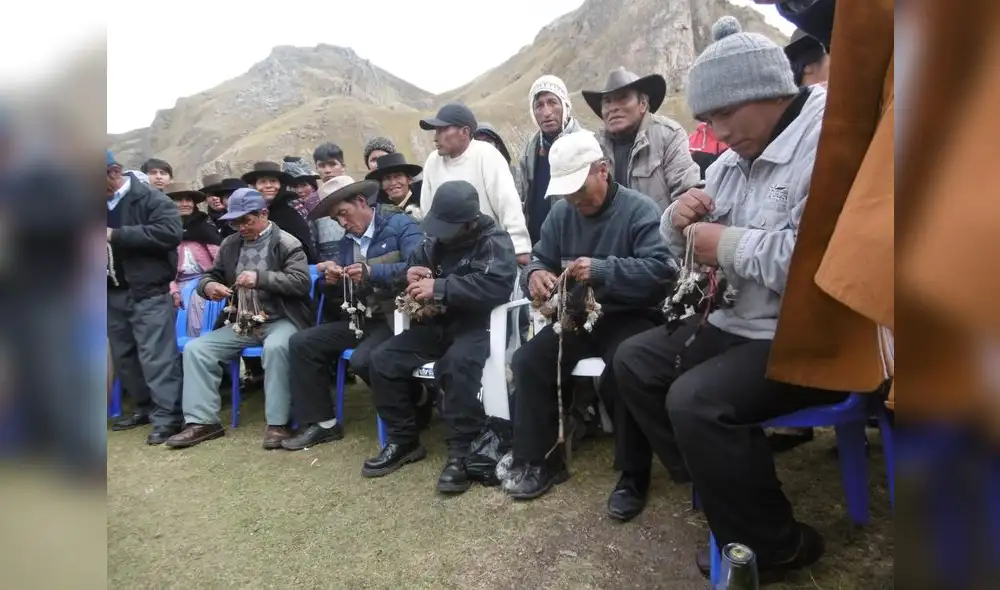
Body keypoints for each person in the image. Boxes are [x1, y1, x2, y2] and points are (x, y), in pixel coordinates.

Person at [611, 16, 845, 579]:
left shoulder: (831, 141)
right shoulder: (739, 155)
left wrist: (730, 244)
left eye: (722, 115)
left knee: (695, 400)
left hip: (804, 333)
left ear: (763, 94)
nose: (715, 133)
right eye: (707, 120)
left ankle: (777, 546)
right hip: (741, 324)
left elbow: (828, 265)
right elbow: (686, 238)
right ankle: (721, 483)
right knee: (634, 362)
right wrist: (677, 217)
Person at [505, 131, 675, 505]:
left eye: (579, 187)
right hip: (578, 316)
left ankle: (634, 474)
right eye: (566, 191)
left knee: (624, 368)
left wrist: (602, 270)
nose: (573, 198)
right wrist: (534, 274)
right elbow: (538, 258)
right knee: (529, 360)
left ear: (603, 170)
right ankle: (543, 461)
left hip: (632, 316)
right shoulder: (562, 213)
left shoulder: (639, 209)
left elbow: (663, 272)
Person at [365, 180, 517, 493]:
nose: (439, 233)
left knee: (455, 364)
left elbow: (498, 287)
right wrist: (408, 274)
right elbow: (410, 267)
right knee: (382, 359)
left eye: (448, 227)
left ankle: (462, 451)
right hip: (437, 325)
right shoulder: (433, 240)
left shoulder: (494, 240)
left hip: (479, 326)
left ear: (470, 222)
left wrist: (441, 286)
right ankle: (403, 440)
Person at [166, 188, 313, 450]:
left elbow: (300, 283)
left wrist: (261, 278)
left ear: (264, 213)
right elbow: (211, 276)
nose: (241, 227)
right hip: (244, 321)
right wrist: (208, 287)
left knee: (277, 347)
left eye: (247, 220)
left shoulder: (288, 243)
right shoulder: (230, 244)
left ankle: (278, 424)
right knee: (197, 350)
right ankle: (202, 422)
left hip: (281, 318)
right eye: (235, 221)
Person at [282, 180, 422, 450]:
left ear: (360, 201)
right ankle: (322, 424)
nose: (342, 223)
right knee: (302, 342)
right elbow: (345, 290)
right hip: (364, 318)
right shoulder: (347, 243)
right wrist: (331, 281)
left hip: (400, 316)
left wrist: (371, 273)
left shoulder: (401, 225)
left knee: (362, 360)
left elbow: (420, 267)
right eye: (336, 218)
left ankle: (415, 400)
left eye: (343, 213)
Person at [106, 150, 185, 444]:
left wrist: (114, 235)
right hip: (110, 291)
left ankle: (169, 416)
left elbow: (169, 233)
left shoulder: (152, 199)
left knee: (156, 356)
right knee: (124, 356)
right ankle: (144, 407)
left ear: (113, 172)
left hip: (148, 289)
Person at [418, 103, 532, 265]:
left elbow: (507, 204)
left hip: (488, 253)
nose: (436, 137)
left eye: (443, 130)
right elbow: (428, 209)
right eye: (436, 131)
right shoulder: (432, 162)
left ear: (464, 132)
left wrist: (519, 248)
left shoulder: (486, 155)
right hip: (447, 255)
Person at [583, 68, 701, 211]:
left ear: (643, 105)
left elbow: (687, 193)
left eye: (622, 98)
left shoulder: (668, 135)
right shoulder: (593, 147)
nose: (613, 108)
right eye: (607, 102)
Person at [515, 75, 585, 246]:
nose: (546, 112)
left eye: (552, 102)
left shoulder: (585, 145)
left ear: (565, 105)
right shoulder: (529, 150)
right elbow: (521, 198)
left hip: (575, 244)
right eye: (539, 105)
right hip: (535, 246)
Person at [165, 182, 222, 337]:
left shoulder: (203, 227)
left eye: (188, 200)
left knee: (198, 303)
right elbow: (162, 268)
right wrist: (173, 290)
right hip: (176, 284)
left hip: (205, 281)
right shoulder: (163, 230)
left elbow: (219, 259)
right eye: (179, 200)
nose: (185, 204)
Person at [241, 160, 317, 263]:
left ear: (280, 185)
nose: (268, 186)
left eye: (273, 181)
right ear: (255, 186)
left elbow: (306, 245)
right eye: (262, 182)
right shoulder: (252, 213)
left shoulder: (292, 209)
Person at [365, 152, 424, 220]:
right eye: (387, 178)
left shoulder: (423, 200)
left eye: (398, 176)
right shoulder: (378, 212)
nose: (393, 183)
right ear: (381, 185)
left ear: (409, 179)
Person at [201, 174, 247, 239]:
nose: (215, 198)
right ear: (205, 200)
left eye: (219, 194)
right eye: (210, 195)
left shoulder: (244, 216)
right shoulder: (203, 225)